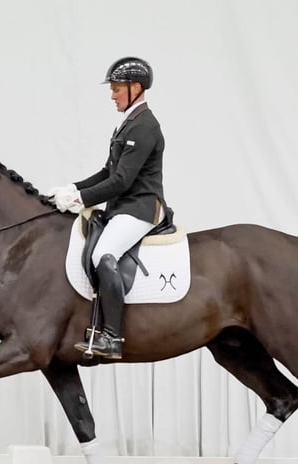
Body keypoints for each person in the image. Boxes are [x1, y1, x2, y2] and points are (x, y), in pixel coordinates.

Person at [50, 56, 168, 360]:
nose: (112, 95)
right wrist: (73, 188)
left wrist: (81, 200)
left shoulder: (144, 127)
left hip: (140, 207)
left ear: (136, 88)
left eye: (117, 89)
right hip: (123, 206)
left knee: (105, 254)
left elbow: (122, 181)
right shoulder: (127, 123)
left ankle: (112, 337)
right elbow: (107, 172)